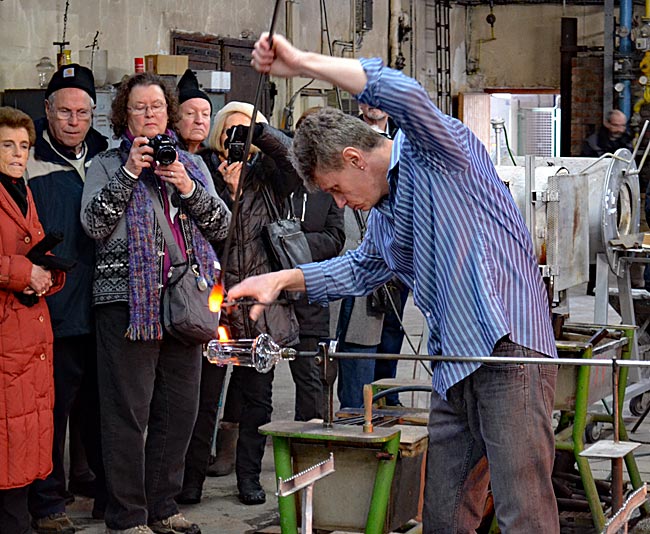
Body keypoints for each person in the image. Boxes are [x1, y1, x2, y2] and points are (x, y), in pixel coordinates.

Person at [229, 33, 560, 533]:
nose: (339, 204)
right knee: (443, 515)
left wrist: (300, 63)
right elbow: (360, 267)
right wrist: (282, 279)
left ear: (356, 158)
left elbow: (399, 91)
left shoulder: (439, 152)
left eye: (337, 189)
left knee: (524, 512)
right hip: (454, 366)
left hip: (509, 350)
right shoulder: (384, 217)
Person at [80, 72, 231, 534]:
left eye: (157, 107)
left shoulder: (190, 164)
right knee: (128, 412)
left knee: (179, 410)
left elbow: (222, 226)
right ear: (124, 115)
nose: (149, 115)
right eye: (139, 108)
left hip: (184, 303)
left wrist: (185, 185)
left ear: (169, 113)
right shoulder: (107, 163)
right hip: (127, 305)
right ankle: (126, 516)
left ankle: (163, 506)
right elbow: (92, 224)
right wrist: (130, 172)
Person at [199, 102, 300, 505]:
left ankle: (249, 478)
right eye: (230, 131)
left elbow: (294, 165)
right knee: (204, 397)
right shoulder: (204, 172)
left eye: (245, 132)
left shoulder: (268, 176)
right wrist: (226, 188)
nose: (235, 139)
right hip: (214, 302)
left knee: (257, 399)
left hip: (260, 307)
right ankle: (190, 479)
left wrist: (260, 135)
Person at [26, 63, 108, 533]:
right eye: (64, 111)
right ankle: (49, 502)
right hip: (52, 311)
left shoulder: (106, 154)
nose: (74, 121)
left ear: (93, 114)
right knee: (51, 412)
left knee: (102, 410)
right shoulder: (27, 156)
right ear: (48, 110)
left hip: (103, 308)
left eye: (82, 112)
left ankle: (99, 488)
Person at [0, 106, 65, 534]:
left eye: (24, 145)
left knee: (23, 439)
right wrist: (27, 273)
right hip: (8, 334)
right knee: (9, 441)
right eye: (7, 145)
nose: (17, 153)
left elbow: (30, 249)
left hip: (29, 335)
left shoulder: (22, 191)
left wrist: (48, 273)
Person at [173, 70, 228, 506]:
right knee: (176, 399)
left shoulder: (213, 166)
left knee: (208, 394)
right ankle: (172, 480)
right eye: (189, 112)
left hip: (215, 289)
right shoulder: (168, 163)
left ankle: (194, 477)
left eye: (205, 113)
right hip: (176, 292)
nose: (197, 120)